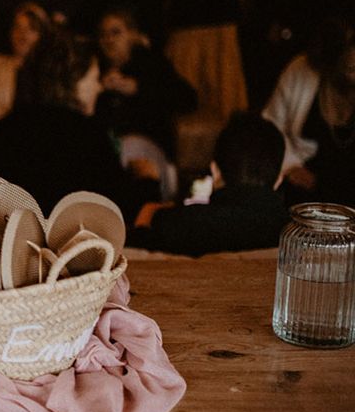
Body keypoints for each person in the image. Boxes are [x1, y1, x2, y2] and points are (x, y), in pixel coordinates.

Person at [0, 33, 160, 220]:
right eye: (94, 78)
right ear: (75, 79)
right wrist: (147, 180)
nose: (99, 87)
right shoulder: (88, 136)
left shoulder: (1, 131)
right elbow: (122, 213)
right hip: (67, 246)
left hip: (6, 245)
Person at [130, 113, 288, 257]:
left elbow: (133, 255)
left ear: (215, 170)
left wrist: (148, 188)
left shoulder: (177, 225)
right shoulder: (296, 235)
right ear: (279, 178)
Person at [95, 8, 197, 199]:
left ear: (132, 35)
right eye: (103, 34)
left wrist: (137, 89)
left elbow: (188, 98)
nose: (109, 39)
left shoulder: (151, 64)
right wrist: (97, 91)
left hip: (148, 153)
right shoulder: (94, 70)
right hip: (107, 153)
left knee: (130, 147)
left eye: (116, 32)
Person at [262, 18, 355, 208]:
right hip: (302, 193)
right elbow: (269, 126)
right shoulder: (301, 69)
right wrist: (290, 165)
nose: (351, 59)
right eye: (346, 50)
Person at [0, 1, 52, 138]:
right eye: (18, 27)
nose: (23, 35)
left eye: (31, 29)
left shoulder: (50, 73)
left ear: (42, 35)